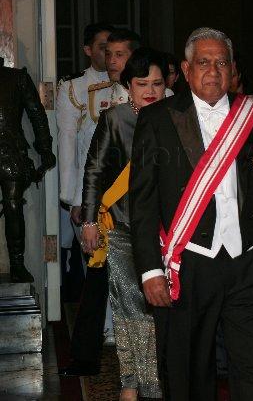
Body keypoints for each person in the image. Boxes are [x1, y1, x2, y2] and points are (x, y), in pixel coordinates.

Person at [130, 27, 253, 400]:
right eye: (204, 62)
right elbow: (141, 203)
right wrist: (149, 270)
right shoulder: (157, 119)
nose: (213, 70)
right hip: (188, 265)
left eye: (221, 62)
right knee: (189, 371)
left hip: (248, 262)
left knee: (252, 366)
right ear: (187, 70)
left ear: (233, 69)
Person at [80, 48, 167, 400]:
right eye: (142, 83)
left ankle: (156, 382)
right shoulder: (115, 119)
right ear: (128, 87)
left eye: (157, 83)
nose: (150, 90)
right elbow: (95, 170)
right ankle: (133, 382)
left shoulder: (178, 117)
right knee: (129, 308)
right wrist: (88, 220)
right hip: (123, 228)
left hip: (169, 234)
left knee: (162, 312)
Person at [58, 24, 142, 377]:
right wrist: (81, 204)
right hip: (107, 208)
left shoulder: (161, 97)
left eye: (120, 54)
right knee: (96, 281)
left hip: (145, 207)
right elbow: (88, 162)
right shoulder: (98, 100)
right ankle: (87, 354)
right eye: (108, 53)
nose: (111, 60)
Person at [0, 60, 55, 282]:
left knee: (13, 205)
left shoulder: (16, 78)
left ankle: (17, 264)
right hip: (11, 151)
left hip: (11, 151)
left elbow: (37, 115)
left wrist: (45, 149)